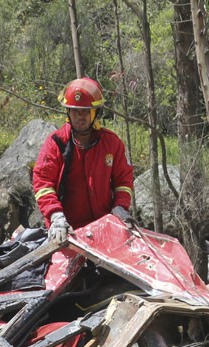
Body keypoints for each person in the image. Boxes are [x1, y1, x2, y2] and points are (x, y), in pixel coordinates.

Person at [32, 77, 135, 246]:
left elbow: (124, 181)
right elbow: (43, 183)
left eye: (85, 112)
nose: (80, 117)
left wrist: (120, 207)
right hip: (66, 231)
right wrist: (55, 215)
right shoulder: (56, 143)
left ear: (95, 112)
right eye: (75, 112)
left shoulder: (111, 143)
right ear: (68, 113)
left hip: (104, 229)